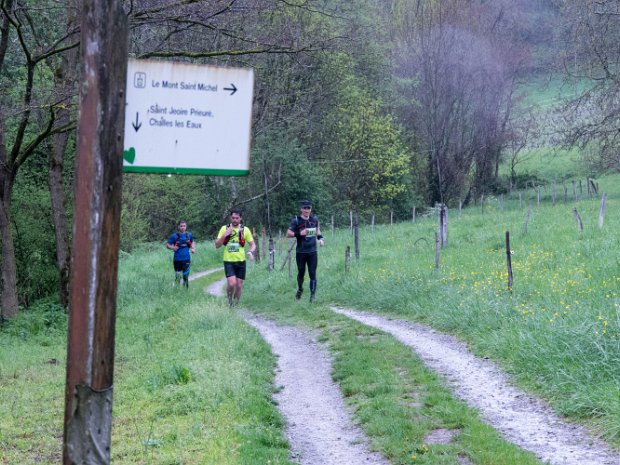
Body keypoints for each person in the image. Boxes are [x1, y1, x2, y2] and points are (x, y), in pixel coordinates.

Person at [215, 209, 256, 306]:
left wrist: (250, 252)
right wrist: (225, 235)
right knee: (232, 283)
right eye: (233, 218)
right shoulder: (224, 228)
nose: (235, 220)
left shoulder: (245, 230)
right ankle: (230, 301)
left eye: (237, 218)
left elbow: (253, 245)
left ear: (240, 218)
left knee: (239, 285)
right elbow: (217, 245)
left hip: (241, 261)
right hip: (228, 261)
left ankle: (236, 304)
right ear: (230, 218)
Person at [287, 200, 324, 303]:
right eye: (305, 208)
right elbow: (288, 233)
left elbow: (317, 230)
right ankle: (300, 289)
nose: (307, 210)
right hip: (301, 252)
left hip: (312, 251)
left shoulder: (314, 219)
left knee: (313, 273)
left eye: (308, 208)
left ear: (311, 209)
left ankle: (312, 296)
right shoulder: (296, 220)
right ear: (301, 209)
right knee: (301, 273)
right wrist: (299, 233)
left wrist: (321, 239)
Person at [165, 220, 195, 288]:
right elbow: (167, 245)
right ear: (179, 227)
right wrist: (173, 247)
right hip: (177, 259)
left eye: (184, 226)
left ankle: (185, 293)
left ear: (186, 227)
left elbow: (192, 242)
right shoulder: (174, 236)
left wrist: (193, 249)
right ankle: (177, 290)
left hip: (186, 259)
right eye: (181, 226)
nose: (182, 227)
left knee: (185, 276)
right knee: (178, 277)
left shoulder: (189, 235)